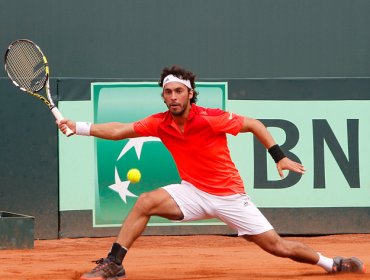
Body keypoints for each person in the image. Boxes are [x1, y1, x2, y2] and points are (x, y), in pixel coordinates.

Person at [59, 65, 365, 280]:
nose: (174, 97)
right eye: (168, 92)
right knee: (146, 201)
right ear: (163, 97)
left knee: (277, 246)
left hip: (229, 195)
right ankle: (114, 264)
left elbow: (254, 124)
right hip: (192, 191)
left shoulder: (211, 119)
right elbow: (120, 130)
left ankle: (330, 264)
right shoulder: (160, 122)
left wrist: (279, 157)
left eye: (179, 91)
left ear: (191, 94)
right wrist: (80, 127)